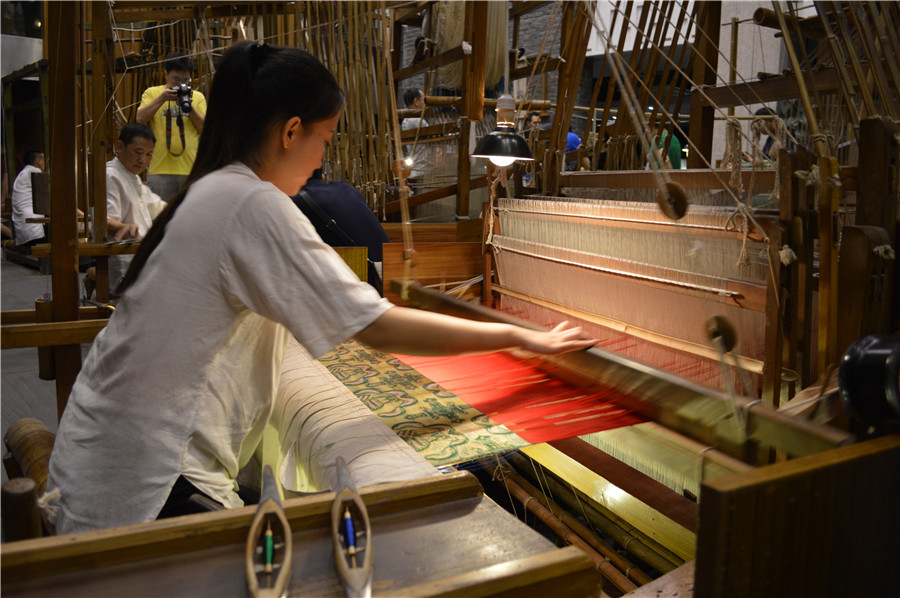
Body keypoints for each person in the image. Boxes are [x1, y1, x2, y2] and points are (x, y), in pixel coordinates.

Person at [45, 41, 595, 535]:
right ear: (290, 131)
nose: (323, 158)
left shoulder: (211, 190)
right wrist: (521, 339)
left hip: (100, 460)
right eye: (325, 139)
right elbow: (378, 327)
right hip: (147, 489)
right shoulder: (252, 203)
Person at [292, 168, 390, 295]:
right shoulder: (347, 188)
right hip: (385, 273)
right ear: (322, 177)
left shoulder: (297, 202)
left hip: (360, 282)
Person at [136, 51, 207, 202]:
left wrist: (189, 107)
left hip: (190, 170)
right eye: (176, 79)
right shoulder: (153, 93)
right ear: (166, 74)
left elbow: (206, 129)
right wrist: (162, 98)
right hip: (159, 169)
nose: (180, 84)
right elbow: (140, 118)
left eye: (185, 80)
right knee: (159, 219)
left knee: (189, 219)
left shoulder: (197, 97)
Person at [105, 123, 168, 291]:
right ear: (119, 146)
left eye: (149, 155)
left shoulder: (133, 177)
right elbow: (104, 220)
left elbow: (158, 206)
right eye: (138, 153)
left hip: (141, 259)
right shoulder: (111, 176)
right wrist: (123, 228)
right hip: (126, 262)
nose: (143, 161)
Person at [10, 150, 46, 250]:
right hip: (32, 226)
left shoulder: (23, 173)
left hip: (22, 226)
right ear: (38, 161)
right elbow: (50, 196)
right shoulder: (35, 172)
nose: (44, 164)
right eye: (43, 160)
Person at [401, 88, 429, 189]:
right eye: (423, 100)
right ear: (416, 101)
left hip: (417, 169)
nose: (425, 104)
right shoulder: (415, 120)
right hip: (422, 170)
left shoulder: (406, 120)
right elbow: (433, 134)